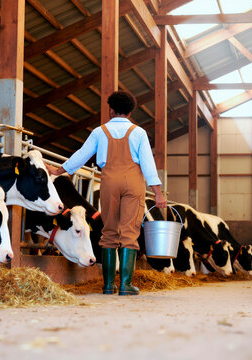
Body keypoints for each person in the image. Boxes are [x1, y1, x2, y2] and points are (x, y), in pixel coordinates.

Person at [47, 91, 167, 296]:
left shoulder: (99, 132)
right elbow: (148, 164)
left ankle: (108, 285)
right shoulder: (138, 133)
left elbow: (82, 155)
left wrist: (58, 170)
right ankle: (125, 285)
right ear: (130, 112)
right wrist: (158, 193)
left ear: (111, 109)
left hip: (109, 181)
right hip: (133, 182)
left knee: (109, 231)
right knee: (129, 233)